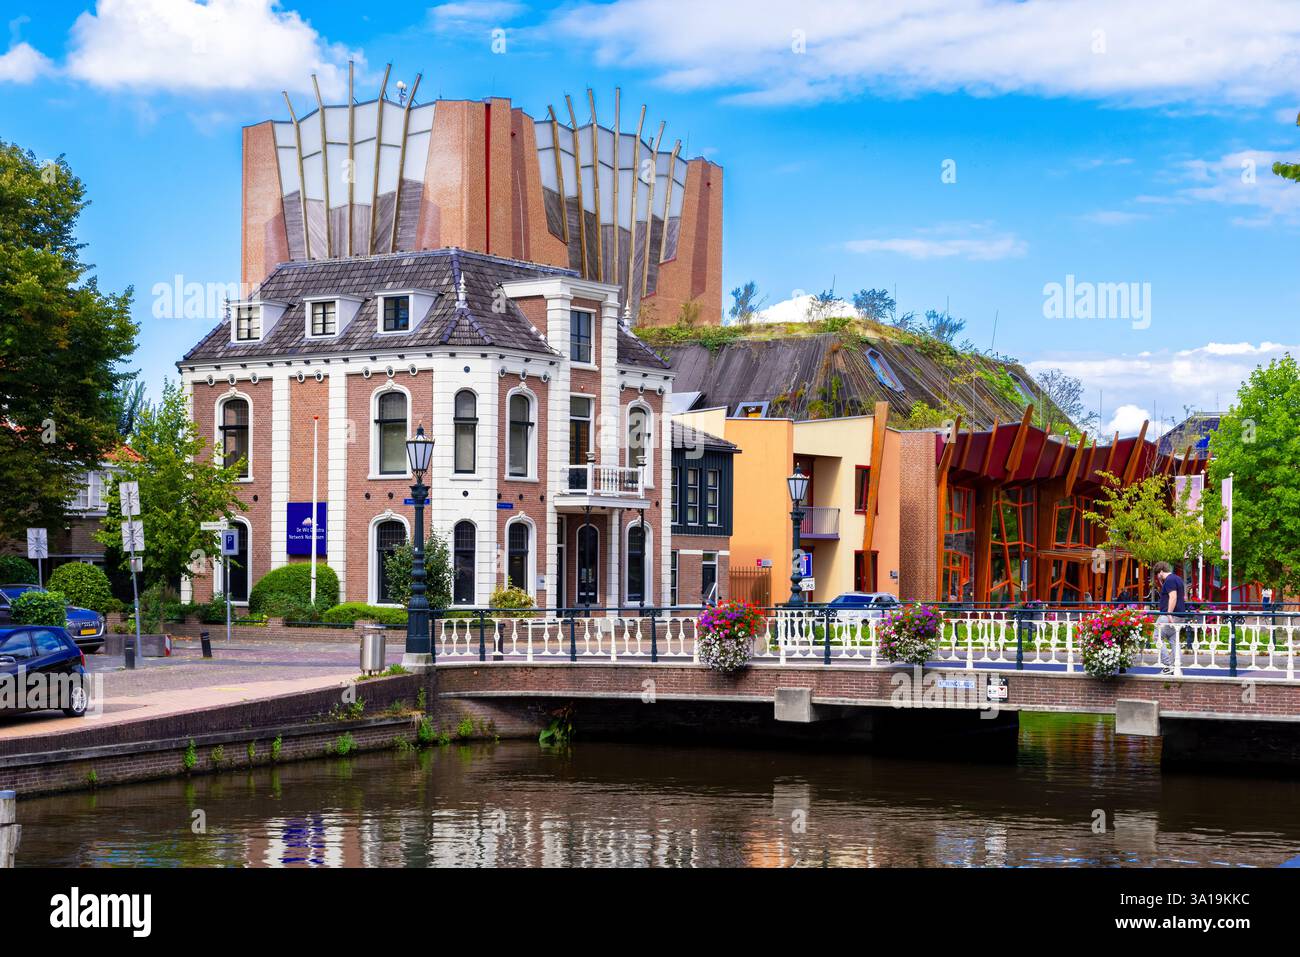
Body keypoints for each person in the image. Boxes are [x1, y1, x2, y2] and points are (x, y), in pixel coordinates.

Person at [1153, 561, 1187, 676]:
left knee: (1157, 637)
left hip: (1169, 616)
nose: (1158, 577)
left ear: (1161, 571)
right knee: (1174, 641)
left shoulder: (1169, 580)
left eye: (1158, 574)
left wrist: (1169, 614)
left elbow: (1173, 597)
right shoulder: (1178, 579)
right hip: (1180, 615)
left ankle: (1167, 665)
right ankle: (1175, 666)